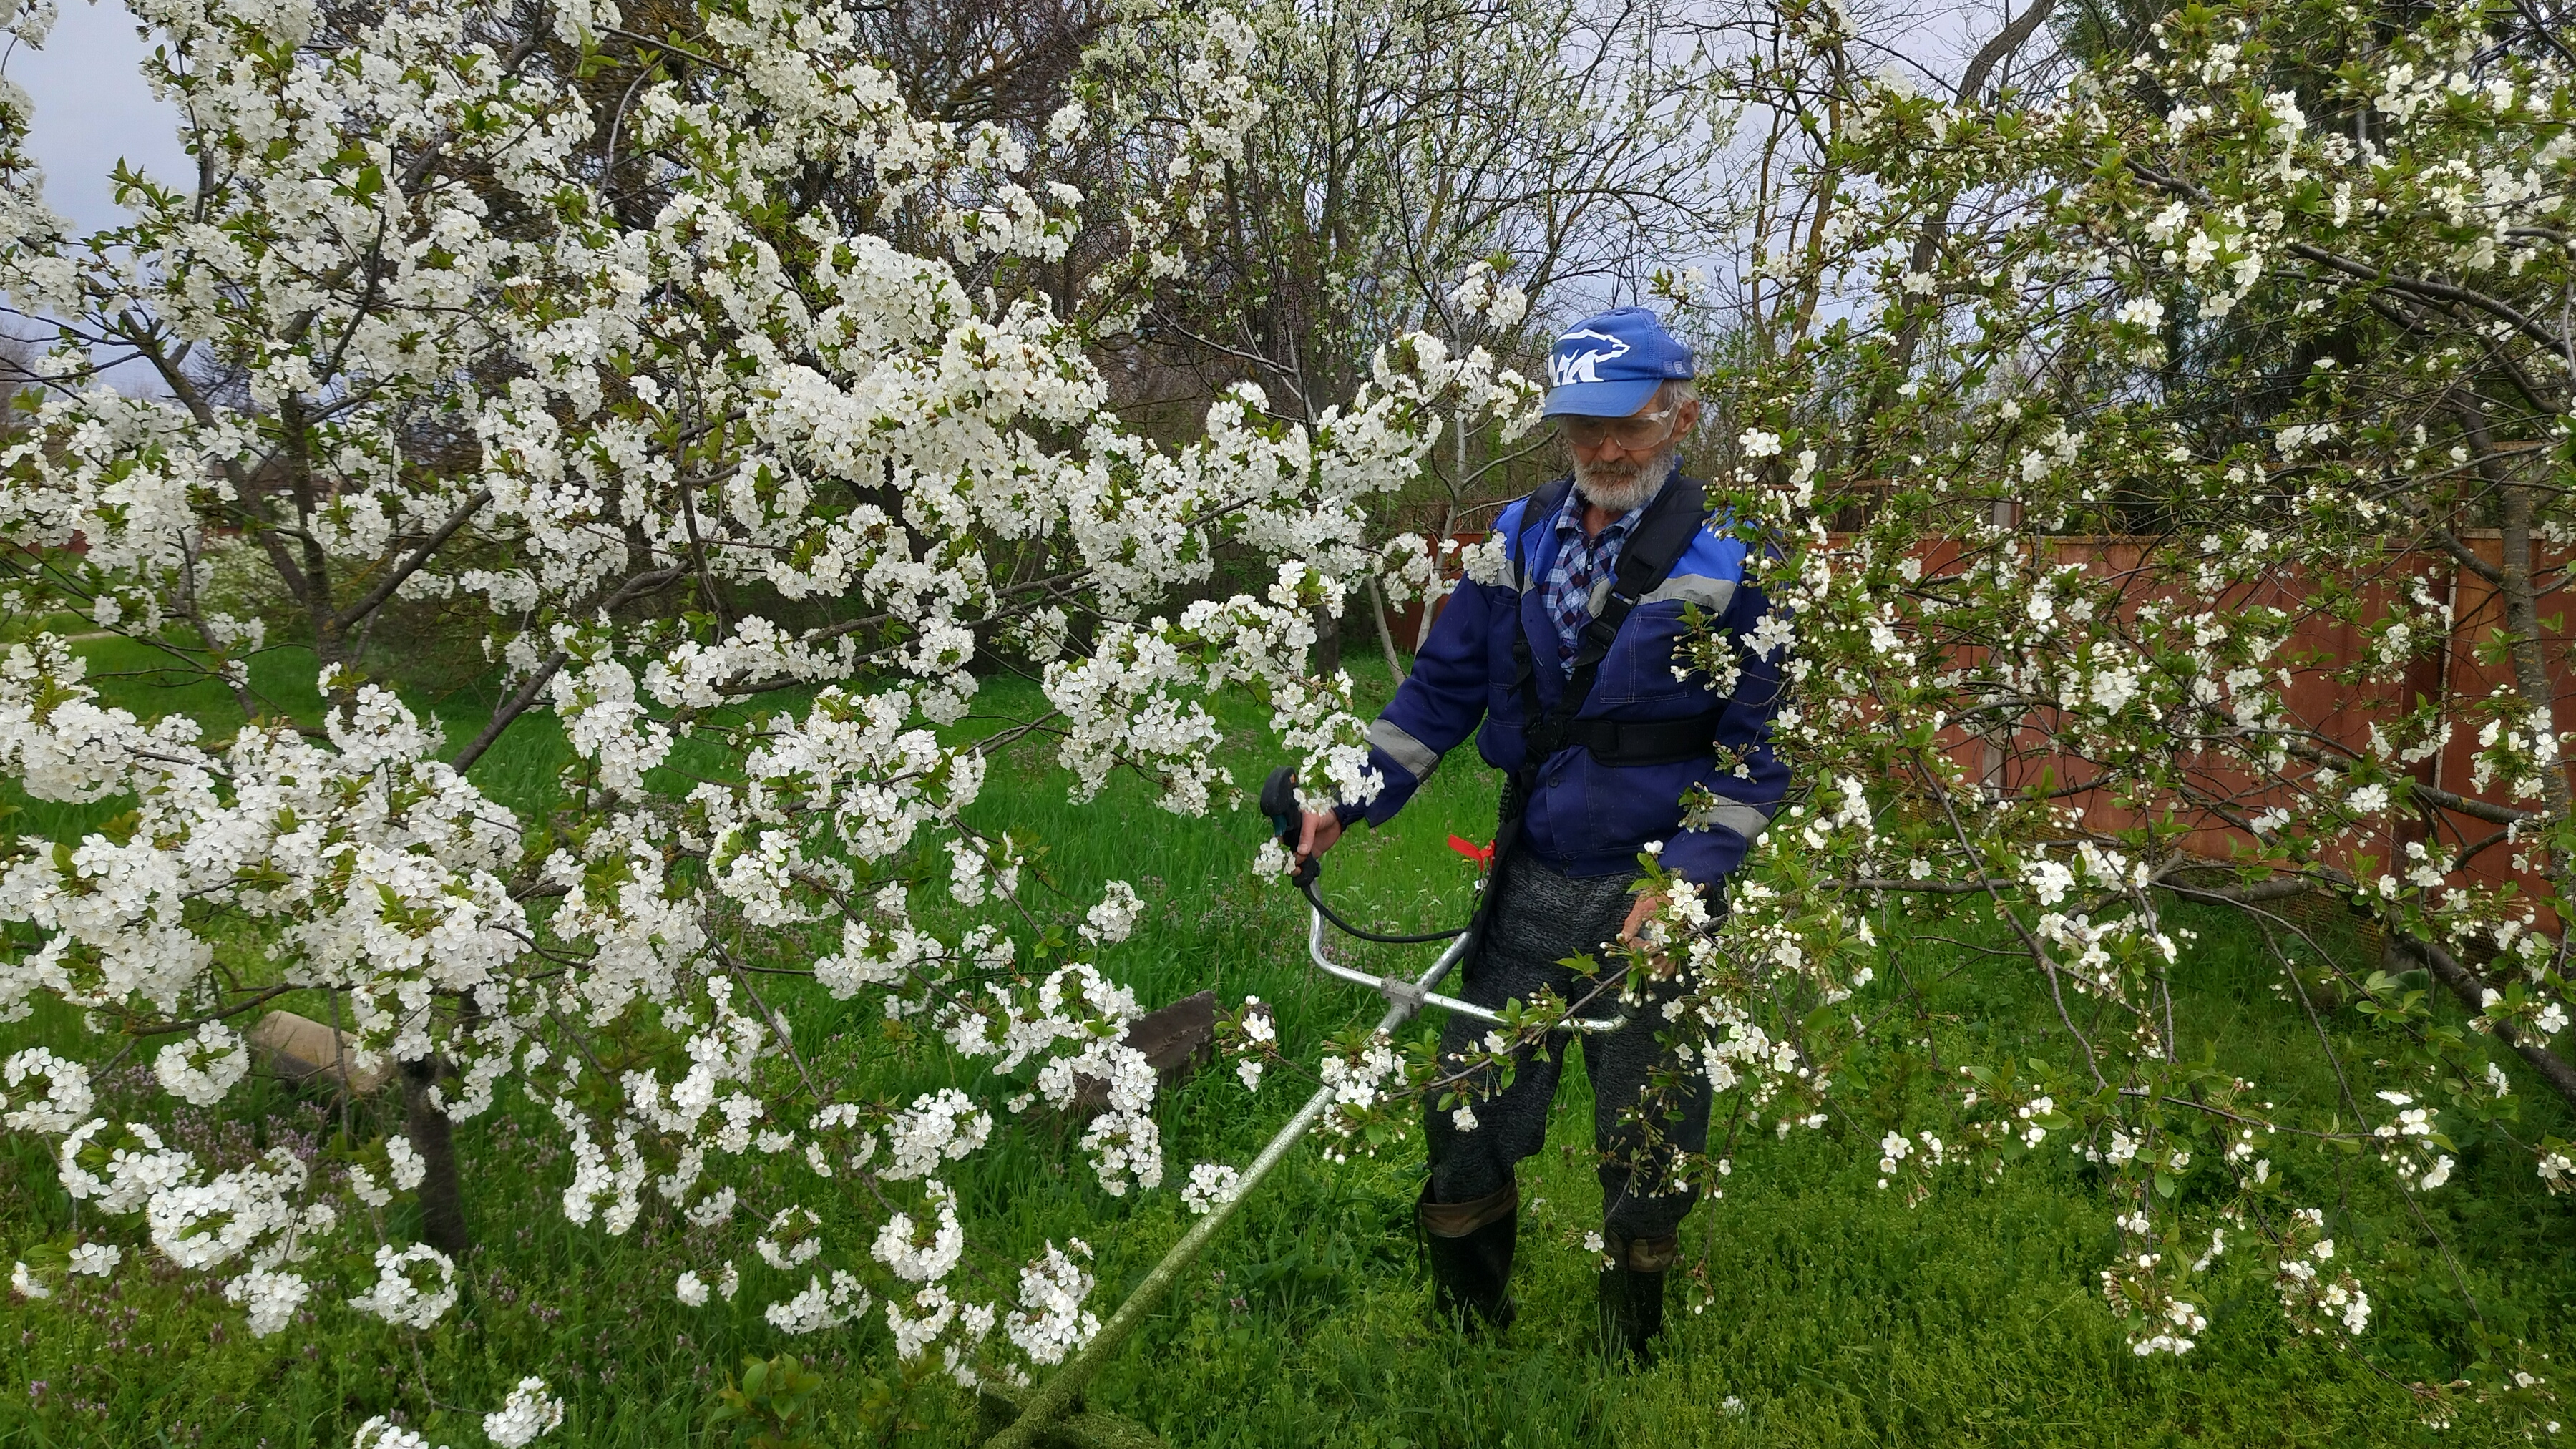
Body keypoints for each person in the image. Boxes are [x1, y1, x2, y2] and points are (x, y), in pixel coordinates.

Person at [1291, 306, 1788, 1365]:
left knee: (1650, 1132)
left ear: (1681, 415)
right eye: (1582, 428)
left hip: (1656, 888)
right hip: (1531, 875)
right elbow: (1441, 691)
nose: (1606, 451)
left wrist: (1691, 881)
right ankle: (1470, 1327)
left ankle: (1628, 1345)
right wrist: (1346, 795)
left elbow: (1758, 750)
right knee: (1467, 1107)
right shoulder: (1514, 539)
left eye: (1631, 427)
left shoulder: (1738, 552)